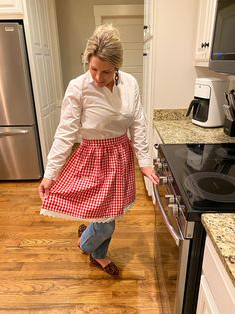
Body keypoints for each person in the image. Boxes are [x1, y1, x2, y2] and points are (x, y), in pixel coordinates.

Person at [38, 24, 159, 276]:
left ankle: (99, 254)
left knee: (107, 214)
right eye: (93, 68)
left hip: (120, 156)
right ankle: (87, 244)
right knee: (105, 224)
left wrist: (145, 162)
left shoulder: (131, 84)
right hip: (92, 159)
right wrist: (50, 173)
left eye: (106, 71)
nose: (97, 77)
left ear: (117, 66)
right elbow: (65, 132)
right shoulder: (78, 87)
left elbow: (137, 122)